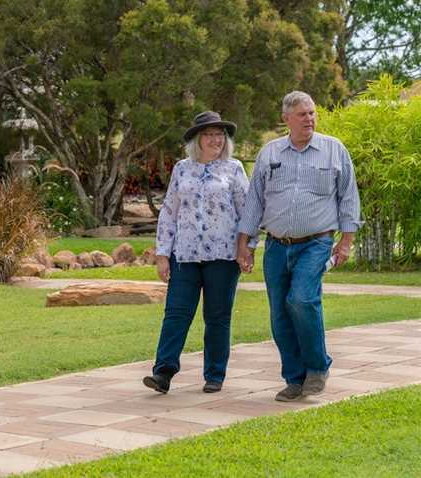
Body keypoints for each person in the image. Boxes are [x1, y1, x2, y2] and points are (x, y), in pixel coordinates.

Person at [236, 91, 361, 402]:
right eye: (303, 114)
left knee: (302, 300)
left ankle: (318, 368)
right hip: (276, 246)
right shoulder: (270, 153)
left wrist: (346, 242)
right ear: (286, 119)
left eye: (312, 113)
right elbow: (254, 202)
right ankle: (294, 379)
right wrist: (245, 244)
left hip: (316, 242)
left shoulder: (334, 150)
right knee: (279, 312)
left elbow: (348, 197)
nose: (309, 119)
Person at [143, 111, 249, 394]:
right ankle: (163, 372)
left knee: (217, 316)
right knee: (176, 313)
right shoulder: (182, 169)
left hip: (223, 257)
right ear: (197, 140)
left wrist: (246, 249)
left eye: (219, 135)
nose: (215, 139)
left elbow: (247, 212)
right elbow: (169, 212)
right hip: (185, 256)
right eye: (209, 135)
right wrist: (163, 254)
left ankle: (215, 375)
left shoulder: (234, 169)